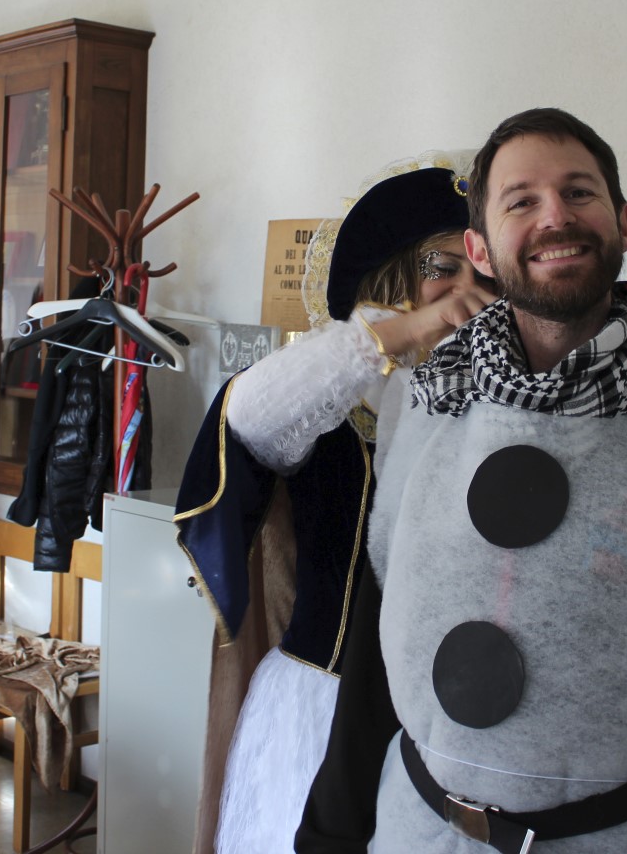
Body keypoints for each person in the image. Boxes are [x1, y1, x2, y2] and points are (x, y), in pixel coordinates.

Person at [295, 108, 627, 853]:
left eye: (579, 192)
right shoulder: (428, 412)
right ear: (480, 247)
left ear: (623, 222)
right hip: (416, 832)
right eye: (521, 201)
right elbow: (379, 657)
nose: (554, 218)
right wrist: (327, 838)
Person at [174, 153, 486, 854]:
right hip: (320, 707)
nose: (467, 292)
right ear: (390, 274)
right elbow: (246, 414)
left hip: (445, 726)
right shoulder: (329, 397)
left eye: (482, 272)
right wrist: (399, 333)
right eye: (443, 266)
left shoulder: (494, 405)